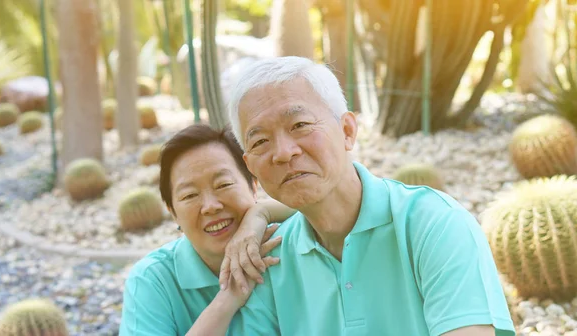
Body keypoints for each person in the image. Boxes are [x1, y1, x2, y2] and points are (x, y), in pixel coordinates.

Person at [222, 56, 516, 336]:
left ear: (348, 130)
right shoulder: (271, 260)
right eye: (260, 141)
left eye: (300, 125)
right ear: (250, 167)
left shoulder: (434, 225)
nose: (284, 152)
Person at [119, 124, 294, 336]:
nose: (210, 206)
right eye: (190, 195)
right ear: (173, 212)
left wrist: (262, 212)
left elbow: (334, 198)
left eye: (223, 184)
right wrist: (227, 299)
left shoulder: (291, 244)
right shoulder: (153, 280)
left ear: (253, 185)